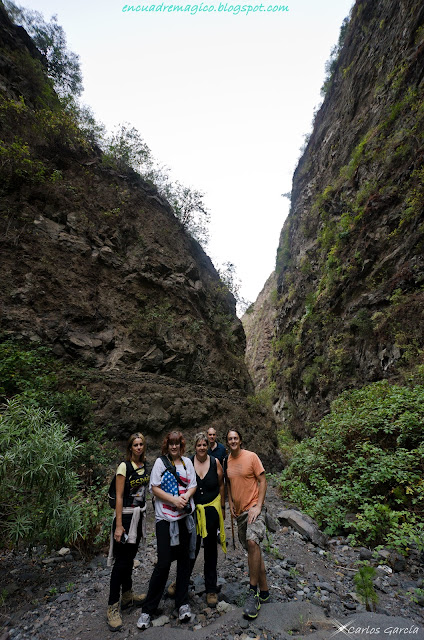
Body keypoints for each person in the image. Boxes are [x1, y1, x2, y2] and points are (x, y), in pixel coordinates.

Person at [137, 431, 197, 631]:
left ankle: (182, 603)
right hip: (165, 519)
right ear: (167, 445)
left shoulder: (187, 463)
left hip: (184, 519)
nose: (174, 447)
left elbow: (193, 485)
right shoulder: (160, 463)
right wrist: (174, 500)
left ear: (181, 445)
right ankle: (148, 609)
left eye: (177, 443)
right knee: (163, 563)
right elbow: (154, 488)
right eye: (171, 443)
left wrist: (185, 497)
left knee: (184, 562)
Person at [107, 432, 150, 632]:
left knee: (129, 558)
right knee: (121, 562)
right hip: (124, 517)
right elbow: (118, 496)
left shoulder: (144, 466)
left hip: (137, 517)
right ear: (130, 447)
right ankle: (112, 606)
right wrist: (118, 525)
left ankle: (127, 595)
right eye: (135, 445)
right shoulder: (124, 467)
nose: (139, 447)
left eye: (141, 444)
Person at [225, 429, 269, 620]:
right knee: (253, 550)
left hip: (253, 509)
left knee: (252, 542)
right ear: (227, 442)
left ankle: (253, 593)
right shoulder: (227, 461)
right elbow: (229, 484)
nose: (233, 441)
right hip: (239, 513)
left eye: (235, 438)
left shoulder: (251, 457)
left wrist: (258, 506)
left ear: (240, 440)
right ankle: (265, 591)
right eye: (230, 439)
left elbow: (263, 480)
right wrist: (230, 504)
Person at [190, 432, 226, 606]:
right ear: (195, 447)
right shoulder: (188, 463)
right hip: (193, 513)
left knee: (211, 551)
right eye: (199, 445)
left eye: (204, 444)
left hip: (211, 512)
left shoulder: (214, 462)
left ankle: (211, 588)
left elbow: (221, 484)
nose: (202, 447)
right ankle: (182, 580)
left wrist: (223, 508)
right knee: (190, 548)